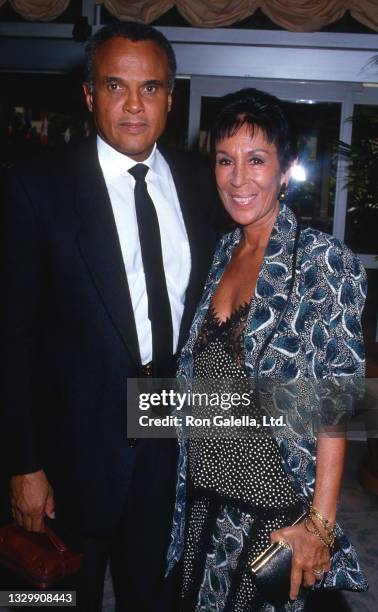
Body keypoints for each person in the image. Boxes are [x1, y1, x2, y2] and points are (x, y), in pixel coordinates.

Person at [3, 22, 218, 611]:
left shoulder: (202, 185)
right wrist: (23, 464)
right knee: (54, 598)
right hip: (71, 447)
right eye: (115, 86)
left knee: (153, 595)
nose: (132, 105)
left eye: (150, 89)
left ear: (170, 98)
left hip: (171, 433)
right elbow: (12, 338)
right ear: (90, 94)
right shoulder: (35, 188)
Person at [166, 88, 368, 611]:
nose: (238, 178)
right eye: (225, 160)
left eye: (256, 160)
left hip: (275, 515)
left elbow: (336, 406)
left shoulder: (324, 261)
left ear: (286, 169)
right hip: (204, 506)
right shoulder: (221, 252)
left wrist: (319, 527)